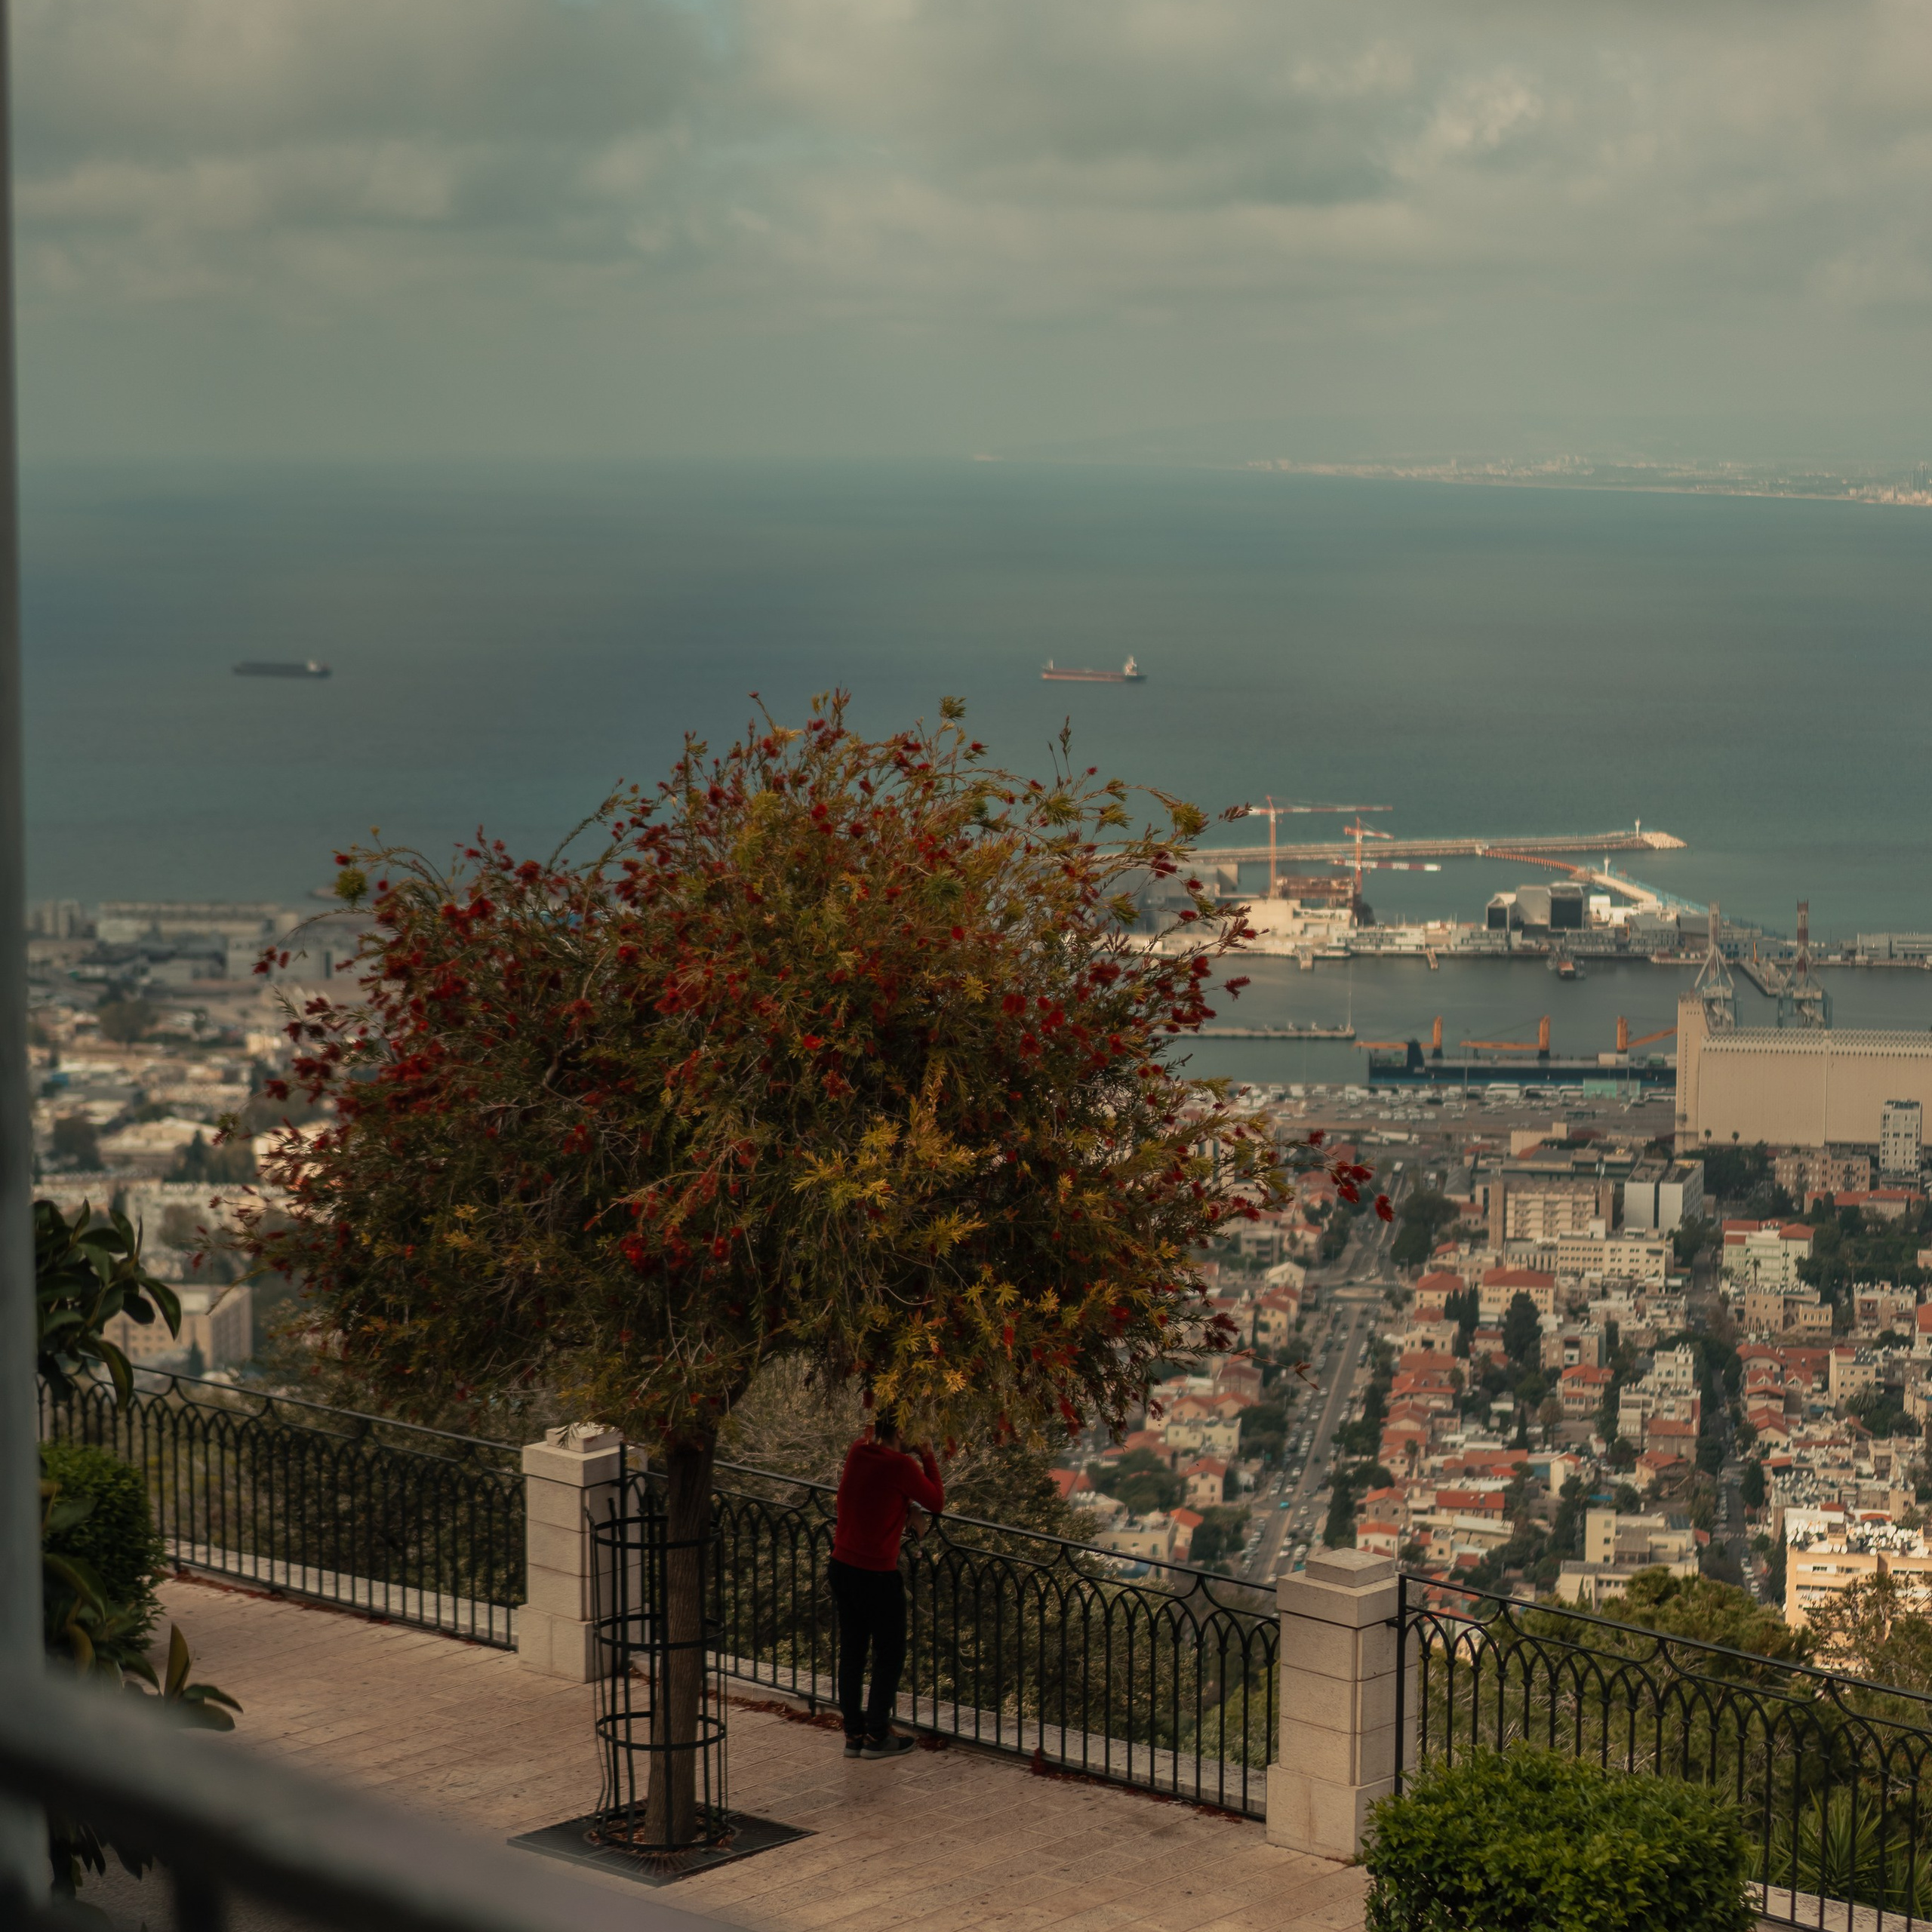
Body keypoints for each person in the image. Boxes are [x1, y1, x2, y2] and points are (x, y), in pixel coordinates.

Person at [829, 1412, 944, 1759]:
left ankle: (853, 1735)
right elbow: (937, 1501)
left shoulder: (858, 1451)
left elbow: (875, 1495)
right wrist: (926, 1454)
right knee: (890, 1653)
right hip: (877, 1573)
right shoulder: (902, 1466)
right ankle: (878, 1735)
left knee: (852, 1654)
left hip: (842, 1565)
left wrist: (905, 1507)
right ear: (901, 1430)